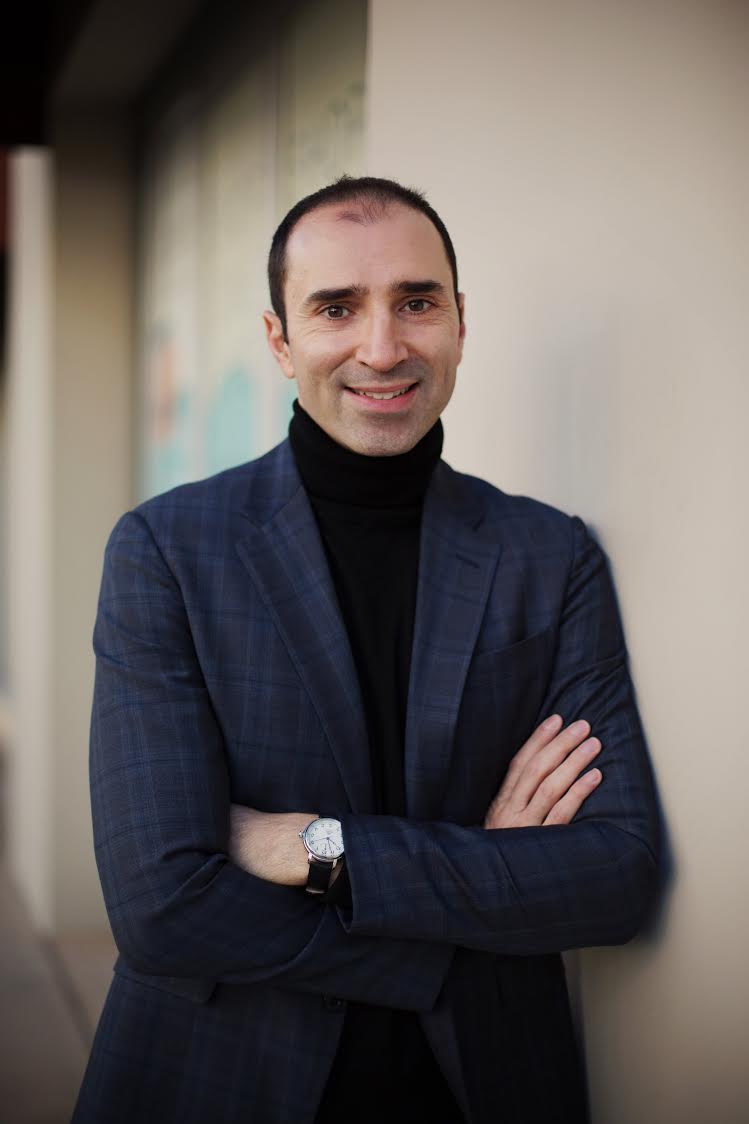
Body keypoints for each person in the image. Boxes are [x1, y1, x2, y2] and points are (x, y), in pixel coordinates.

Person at [71, 176, 659, 1124]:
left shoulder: (551, 556)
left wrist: (316, 848)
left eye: (415, 303)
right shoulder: (168, 551)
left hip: (488, 1080)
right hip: (219, 1077)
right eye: (336, 308)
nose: (381, 349)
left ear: (459, 321)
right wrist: (468, 905)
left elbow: (614, 875)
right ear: (279, 340)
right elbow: (161, 904)